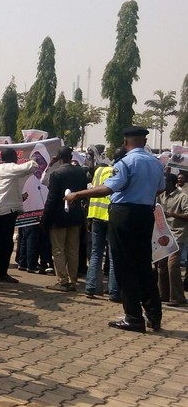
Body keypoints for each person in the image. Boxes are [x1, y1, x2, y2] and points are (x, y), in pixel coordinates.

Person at [66, 127, 164, 333]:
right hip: (146, 213)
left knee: (124, 265)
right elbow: (160, 188)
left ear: (126, 141)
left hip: (124, 214)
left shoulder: (126, 162)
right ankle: (154, 316)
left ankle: (133, 317)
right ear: (145, 140)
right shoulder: (155, 162)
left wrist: (78, 194)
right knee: (143, 264)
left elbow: (109, 188)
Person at [0, 149, 38, 283]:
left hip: (3, 209)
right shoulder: (8, 168)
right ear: (13, 157)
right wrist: (34, 158)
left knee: (2, 242)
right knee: (6, 243)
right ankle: (0, 272)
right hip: (6, 211)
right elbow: (31, 166)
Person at [42, 147, 87, 292]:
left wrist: (45, 218)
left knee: (58, 249)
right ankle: (73, 280)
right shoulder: (80, 172)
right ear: (71, 156)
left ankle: (62, 281)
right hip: (76, 216)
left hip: (58, 217)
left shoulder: (57, 173)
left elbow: (52, 199)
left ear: (59, 158)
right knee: (73, 249)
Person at [156, 174, 188, 306]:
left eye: (164, 181)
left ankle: (178, 298)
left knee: (172, 265)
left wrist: (172, 214)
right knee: (161, 265)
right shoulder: (160, 196)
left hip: (177, 235)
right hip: (163, 235)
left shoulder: (182, 197)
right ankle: (163, 295)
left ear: (171, 183)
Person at [85, 159, 115, 299]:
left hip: (95, 215)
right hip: (110, 216)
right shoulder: (115, 170)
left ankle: (91, 287)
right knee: (112, 255)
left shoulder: (98, 172)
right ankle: (113, 291)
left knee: (96, 253)